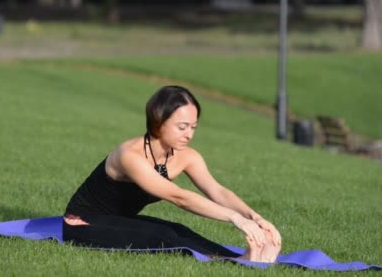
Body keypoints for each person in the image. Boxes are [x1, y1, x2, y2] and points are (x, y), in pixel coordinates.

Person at [63, 86, 282, 262]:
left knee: (178, 230)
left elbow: (217, 190)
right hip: (83, 223)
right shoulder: (129, 155)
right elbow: (179, 197)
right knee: (164, 237)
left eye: (193, 127)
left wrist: (255, 218)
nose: (189, 134)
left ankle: (239, 259)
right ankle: (238, 261)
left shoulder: (187, 156)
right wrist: (235, 219)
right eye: (182, 126)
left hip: (120, 220)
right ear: (159, 122)